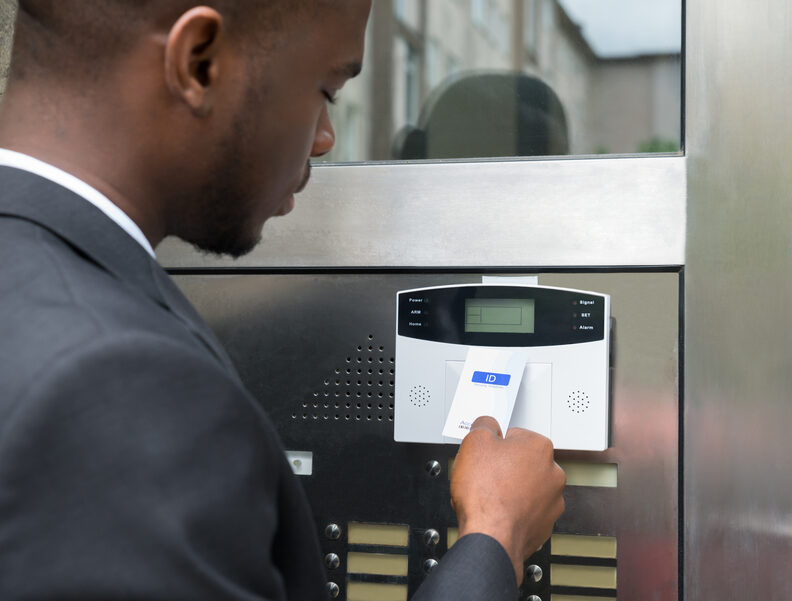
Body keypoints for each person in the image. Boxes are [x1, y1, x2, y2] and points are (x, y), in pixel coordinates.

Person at [0, 2, 566, 599]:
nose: (325, 139)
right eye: (325, 88)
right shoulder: (124, 385)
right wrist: (496, 536)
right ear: (198, 63)